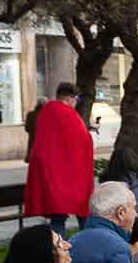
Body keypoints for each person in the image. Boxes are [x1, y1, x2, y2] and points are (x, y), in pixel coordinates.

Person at [24, 83, 95, 236]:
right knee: (83, 216)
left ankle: (57, 251)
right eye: (75, 99)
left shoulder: (45, 112)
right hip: (72, 177)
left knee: (58, 218)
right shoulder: (69, 114)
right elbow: (84, 141)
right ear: (70, 98)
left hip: (52, 176)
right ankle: (87, 246)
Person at [69, 180, 138, 263]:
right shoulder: (118, 247)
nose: (136, 214)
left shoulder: (72, 241)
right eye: (134, 208)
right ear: (121, 213)